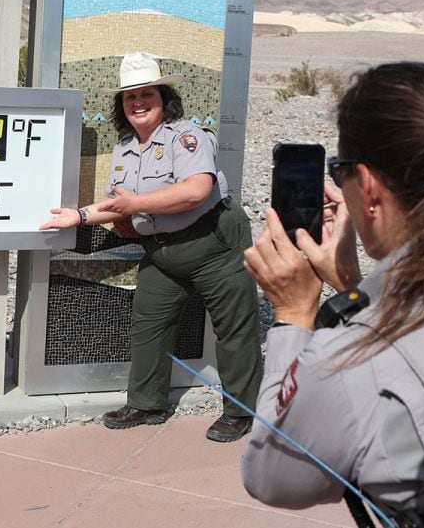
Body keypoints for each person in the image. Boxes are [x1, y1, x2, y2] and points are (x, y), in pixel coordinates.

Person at [241, 62, 424, 522]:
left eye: (340, 170)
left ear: (367, 187)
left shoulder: (350, 356)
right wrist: (354, 285)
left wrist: (293, 313)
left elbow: (272, 478)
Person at [41, 51, 262, 442]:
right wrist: (78, 216)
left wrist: (136, 206)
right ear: (121, 105)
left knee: (235, 330)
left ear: (164, 98)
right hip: (162, 251)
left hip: (214, 244)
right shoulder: (125, 149)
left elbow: (197, 191)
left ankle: (240, 411)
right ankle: (147, 403)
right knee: (149, 326)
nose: (139, 102)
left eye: (147, 94)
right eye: (130, 97)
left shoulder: (188, 136)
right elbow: (117, 203)